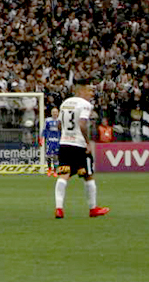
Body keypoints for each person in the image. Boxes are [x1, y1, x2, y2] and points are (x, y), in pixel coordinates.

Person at [55, 79, 110, 219]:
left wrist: (66, 135)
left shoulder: (65, 103)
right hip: (79, 145)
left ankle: (59, 208)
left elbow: (59, 125)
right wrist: (87, 143)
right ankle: (93, 208)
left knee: (63, 175)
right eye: (89, 90)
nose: (91, 93)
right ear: (81, 91)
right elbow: (82, 124)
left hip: (64, 144)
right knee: (88, 175)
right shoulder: (85, 105)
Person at [42, 106, 61, 176]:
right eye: (53, 112)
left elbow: (62, 131)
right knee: (48, 156)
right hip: (50, 140)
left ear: (58, 113)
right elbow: (44, 130)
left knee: (56, 156)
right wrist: (42, 138)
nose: (55, 113)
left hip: (57, 141)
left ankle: (55, 171)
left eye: (56, 112)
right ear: (51, 113)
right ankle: (49, 169)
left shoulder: (60, 121)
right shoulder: (47, 120)